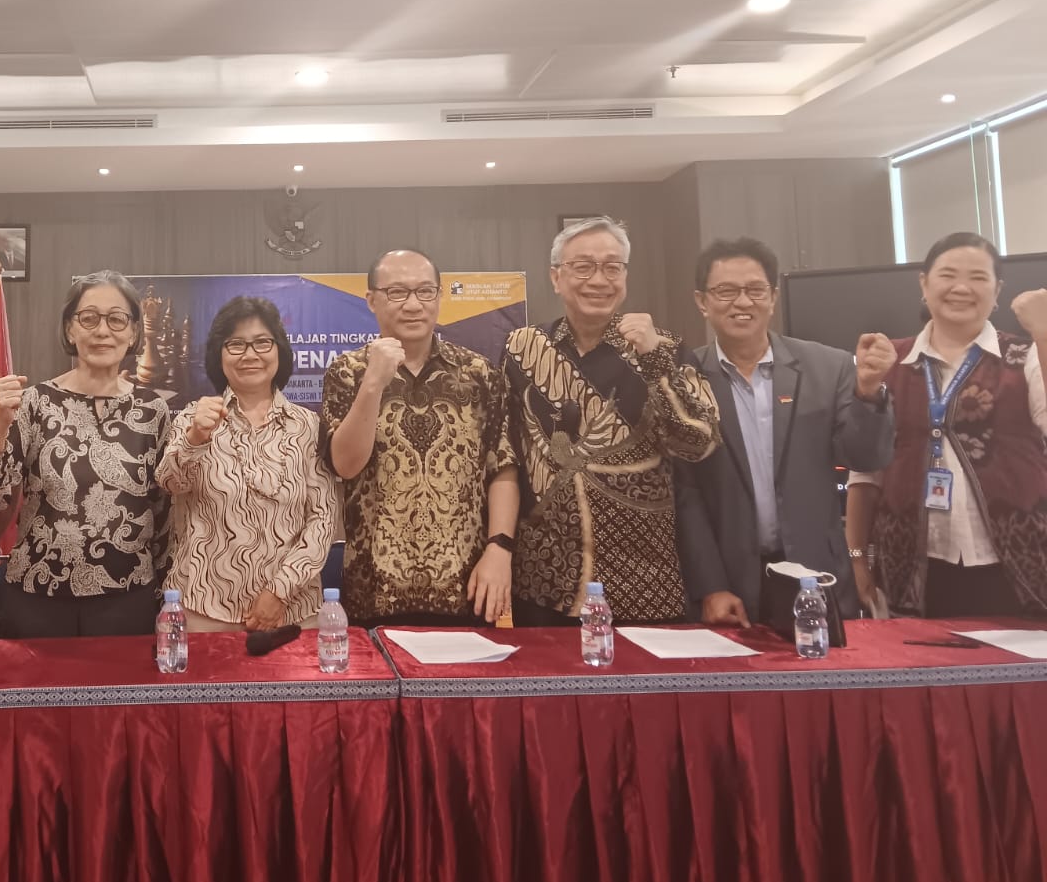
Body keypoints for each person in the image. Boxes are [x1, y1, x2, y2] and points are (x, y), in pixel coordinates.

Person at [504, 217, 720, 625]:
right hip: (544, 582)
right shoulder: (523, 347)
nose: (599, 279)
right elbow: (505, 453)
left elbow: (699, 443)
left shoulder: (666, 348)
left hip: (643, 583)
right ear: (556, 277)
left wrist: (654, 360)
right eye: (583, 266)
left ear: (625, 276)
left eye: (612, 267)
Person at [674, 238, 896, 625]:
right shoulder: (684, 380)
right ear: (702, 301)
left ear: (773, 297)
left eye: (755, 290)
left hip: (816, 575)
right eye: (726, 291)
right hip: (729, 584)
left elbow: (865, 457)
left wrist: (868, 392)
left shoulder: (829, 367)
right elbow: (685, 494)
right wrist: (710, 586)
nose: (743, 302)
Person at [847, 233, 1047, 618]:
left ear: (997, 290)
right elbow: (865, 473)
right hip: (911, 567)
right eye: (948, 275)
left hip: (1021, 564)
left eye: (978, 277)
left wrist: (1043, 333)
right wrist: (856, 559)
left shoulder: (1026, 355)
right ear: (924, 284)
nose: (961, 288)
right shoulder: (889, 359)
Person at [322, 249, 519, 628]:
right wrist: (373, 383)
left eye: (425, 291)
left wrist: (500, 547)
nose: (413, 304)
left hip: (468, 587)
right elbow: (345, 466)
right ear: (372, 300)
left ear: (439, 296)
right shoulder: (347, 372)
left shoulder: (479, 373)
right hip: (373, 589)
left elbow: (503, 467)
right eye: (397, 292)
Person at [0, 271, 171, 637]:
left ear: (133, 333)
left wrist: (162, 591)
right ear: (69, 329)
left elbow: (163, 509)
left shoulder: (152, 410)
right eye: (89, 318)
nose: (102, 330)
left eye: (117, 319)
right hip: (37, 595)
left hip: (127, 596)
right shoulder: (34, 403)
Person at [156, 297, 337, 631]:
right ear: (219, 355)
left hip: (293, 612)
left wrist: (279, 591)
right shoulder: (193, 417)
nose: (250, 354)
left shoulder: (308, 426)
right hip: (203, 609)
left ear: (279, 350)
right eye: (236, 344)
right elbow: (169, 483)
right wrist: (196, 437)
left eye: (262, 342)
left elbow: (322, 519)